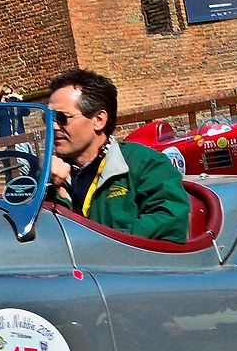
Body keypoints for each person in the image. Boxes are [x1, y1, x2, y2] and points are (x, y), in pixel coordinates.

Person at [47, 68, 189, 244]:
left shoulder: (145, 164)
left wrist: (96, 246)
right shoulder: (47, 175)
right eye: (47, 118)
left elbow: (170, 222)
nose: (53, 126)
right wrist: (51, 190)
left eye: (61, 118)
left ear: (99, 120)